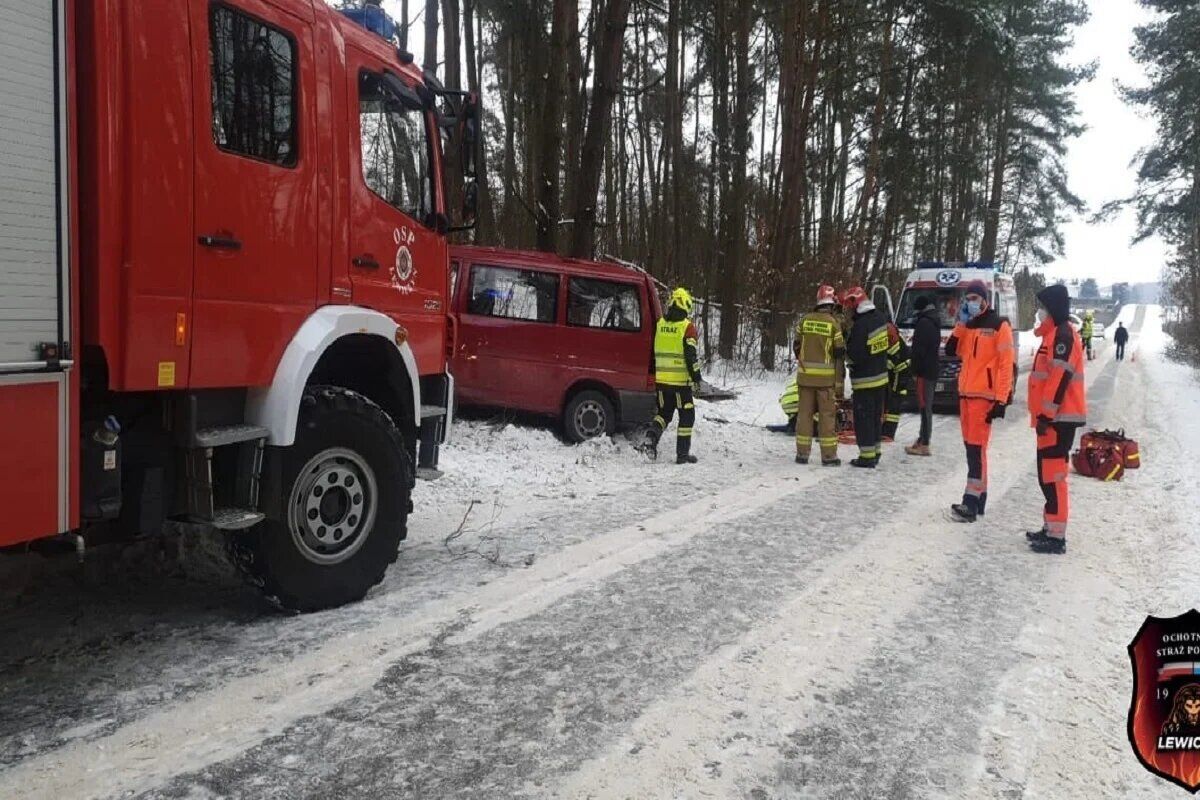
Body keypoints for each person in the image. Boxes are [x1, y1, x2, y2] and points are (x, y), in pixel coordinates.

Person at [946, 281, 1015, 522]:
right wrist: (961, 324)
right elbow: (951, 350)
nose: (972, 302)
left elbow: (1006, 364)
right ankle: (980, 497)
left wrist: (1001, 399)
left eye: (976, 298)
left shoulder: (999, 325)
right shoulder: (970, 325)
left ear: (986, 300)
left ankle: (971, 502)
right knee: (972, 448)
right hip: (966, 395)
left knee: (976, 449)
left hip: (983, 398)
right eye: (969, 298)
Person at [1026, 284, 1087, 554]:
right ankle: (1050, 527)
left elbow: (1058, 379)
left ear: (1053, 308)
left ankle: (1056, 537)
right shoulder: (1053, 335)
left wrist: (1046, 414)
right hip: (1052, 419)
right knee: (1046, 476)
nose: (1040, 312)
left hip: (1058, 419)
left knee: (1053, 476)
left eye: (1043, 306)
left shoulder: (1063, 336)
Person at [647, 287, 702, 464]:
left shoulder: (660, 325)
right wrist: (697, 378)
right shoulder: (687, 328)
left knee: (663, 414)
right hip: (680, 384)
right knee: (687, 416)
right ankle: (682, 455)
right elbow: (690, 356)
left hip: (661, 382)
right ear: (686, 306)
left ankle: (651, 438)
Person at [792, 285, 846, 466]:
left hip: (805, 379)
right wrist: (839, 385)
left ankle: (802, 454)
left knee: (804, 416)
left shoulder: (804, 321)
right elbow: (839, 355)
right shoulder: (833, 324)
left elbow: (796, 346)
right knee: (827, 418)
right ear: (831, 304)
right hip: (825, 382)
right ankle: (829, 456)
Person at [843, 286, 890, 468]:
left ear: (856, 303)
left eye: (850, 306)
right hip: (881, 378)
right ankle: (876, 452)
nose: (849, 310)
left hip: (865, 381)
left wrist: (845, 351)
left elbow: (855, 354)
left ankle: (866, 457)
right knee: (875, 418)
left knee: (864, 420)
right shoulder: (879, 317)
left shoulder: (861, 325)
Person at [905, 296, 941, 456]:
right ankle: (922, 440)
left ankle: (924, 443)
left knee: (924, 406)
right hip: (931, 368)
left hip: (924, 371)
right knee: (926, 406)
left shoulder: (924, 323)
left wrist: (914, 370)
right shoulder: (934, 320)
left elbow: (919, 350)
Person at [881, 320, 912, 443]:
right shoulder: (893, 342)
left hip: (899, 382)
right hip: (893, 378)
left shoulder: (899, 351)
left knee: (893, 408)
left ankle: (888, 433)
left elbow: (894, 370)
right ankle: (884, 431)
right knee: (887, 405)